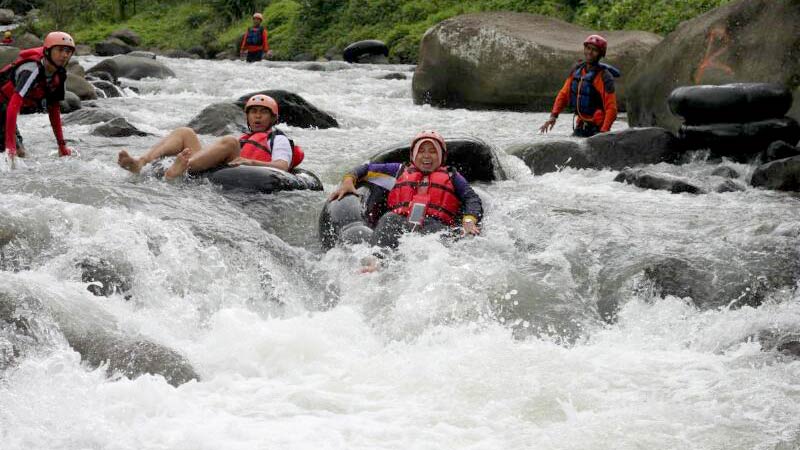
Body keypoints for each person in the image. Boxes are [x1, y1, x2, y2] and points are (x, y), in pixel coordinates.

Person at [329, 130, 482, 253]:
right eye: (421, 151)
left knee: (441, 236)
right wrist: (348, 180)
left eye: (433, 151)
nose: (427, 156)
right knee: (388, 219)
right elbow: (366, 168)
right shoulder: (399, 170)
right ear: (413, 155)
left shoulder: (452, 175)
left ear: (442, 156)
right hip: (400, 221)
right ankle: (375, 261)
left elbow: (471, 198)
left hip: (435, 224)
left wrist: (468, 220)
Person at [117, 94, 302, 179]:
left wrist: (250, 162)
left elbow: (281, 166)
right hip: (224, 166)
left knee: (229, 141)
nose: (258, 116)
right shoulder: (245, 137)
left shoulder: (278, 139)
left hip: (248, 171)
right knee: (185, 132)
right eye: (253, 112)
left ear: (273, 118)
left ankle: (182, 167)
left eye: (263, 112)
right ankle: (140, 162)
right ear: (247, 116)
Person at [0, 31, 75, 168]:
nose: (65, 55)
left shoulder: (59, 75)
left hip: (5, 110)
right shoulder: (31, 70)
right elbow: (13, 105)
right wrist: (10, 146)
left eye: (68, 51)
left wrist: (61, 145)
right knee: (14, 153)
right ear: (47, 51)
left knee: (21, 155)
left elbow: (54, 109)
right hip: (4, 106)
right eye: (60, 50)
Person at [539, 34, 620, 138]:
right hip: (581, 125)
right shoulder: (577, 70)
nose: (590, 52)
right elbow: (563, 95)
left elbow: (611, 109)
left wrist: (604, 133)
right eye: (588, 48)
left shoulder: (604, 76)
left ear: (600, 54)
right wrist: (553, 116)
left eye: (594, 50)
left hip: (598, 128)